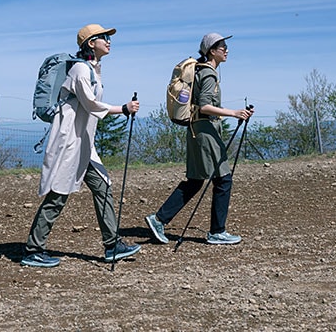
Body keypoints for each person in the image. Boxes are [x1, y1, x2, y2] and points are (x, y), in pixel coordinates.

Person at [21, 24, 141, 268]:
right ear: (90, 43)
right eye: (104, 38)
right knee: (58, 194)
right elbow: (90, 103)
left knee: (102, 187)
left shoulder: (93, 70)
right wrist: (123, 109)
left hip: (84, 144)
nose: (109, 41)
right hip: (68, 142)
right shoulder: (79, 69)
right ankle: (33, 250)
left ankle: (112, 245)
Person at [145, 32, 253, 246]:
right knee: (223, 179)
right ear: (212, 50)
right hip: (205, 130)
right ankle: (217, 231)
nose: (226, 50)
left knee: (195, 180)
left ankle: (159, 219)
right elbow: (204, 105)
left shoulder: (200, 72)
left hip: (196, 129)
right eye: (223, 47)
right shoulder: (209, 74)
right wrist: (234, 113)